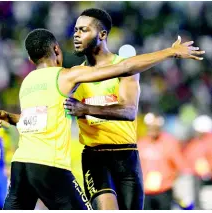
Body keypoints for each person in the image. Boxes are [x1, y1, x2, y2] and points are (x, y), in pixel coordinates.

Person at [0, 28, 203, 210]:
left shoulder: (27, 83)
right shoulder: (65, 76)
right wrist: (170, 52)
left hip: (21, 166)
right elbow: (124, 67)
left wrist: (10, 117)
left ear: (29, 58)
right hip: (49, 166)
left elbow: (32, 120)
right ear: (56, 50)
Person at [63, 8, 203, 210]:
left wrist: (85, 108)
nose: (76, 35)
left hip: (126, 155)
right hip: (94, 157)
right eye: (75, 30)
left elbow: (128, 111)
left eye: (83, 30)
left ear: (102, 35)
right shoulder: (75, 74)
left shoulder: (125, 66)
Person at [138, 113, 189, 210]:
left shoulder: (169, 143)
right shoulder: (141, 143)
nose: (152, 129)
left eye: (155, 127)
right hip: (145, 192)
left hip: (164, 190)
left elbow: (180, 166)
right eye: (150, 127)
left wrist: (170, 180)